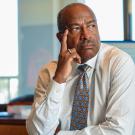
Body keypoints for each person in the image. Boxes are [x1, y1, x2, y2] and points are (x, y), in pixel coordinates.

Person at [26, 3, 135, 135]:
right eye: (76, 28)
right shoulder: (49, 72)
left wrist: (60, 134)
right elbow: (38, 132)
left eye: (91, 26)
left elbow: (120, 131)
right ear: (61, 38)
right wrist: (59, 79)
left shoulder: (119, 63)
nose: (86, 35)